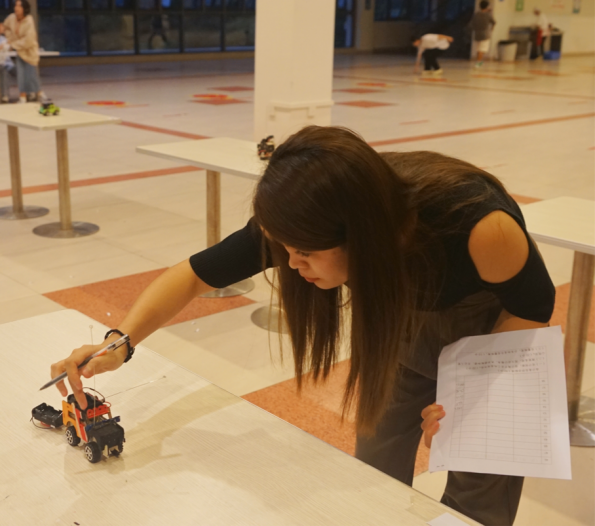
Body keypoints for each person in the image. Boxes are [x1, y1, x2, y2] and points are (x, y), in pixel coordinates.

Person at [52, 126, 555, 526]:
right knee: (375, 464)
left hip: (495, 339)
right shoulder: (305, 213)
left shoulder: (477, 224)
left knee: (479, 489)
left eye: (304, 253)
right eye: (285, 249)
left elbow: (535, 306)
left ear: (360, 235)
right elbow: (194, 275)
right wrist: (119, 342)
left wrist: (472, 394)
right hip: (399, 331)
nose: (292, 264)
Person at [3, 0, 43, 103]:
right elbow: (5, 27)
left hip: (29, 52)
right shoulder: (11, 18)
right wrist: (10, 39)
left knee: (31, 75)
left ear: (24, 8)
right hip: (20, 51)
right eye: (15, 5)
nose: (16, 8)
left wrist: (13, 44)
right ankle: (22, 97)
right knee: (21, 75)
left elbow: (28, 40)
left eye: (19, 6)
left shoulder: (29, 20)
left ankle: (39, 94)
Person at [468, 1, 496, 68]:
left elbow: (471, 24)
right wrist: (491, 29)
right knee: (482, 49)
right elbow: (493, 22)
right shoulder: (488, 15)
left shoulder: (476, 14)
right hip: (485, 34)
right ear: (487, 6)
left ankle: (479, 61)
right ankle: (478, 63)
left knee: (478, 49)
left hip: (477, 34)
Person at [0, 22, 15, 103]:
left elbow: (10, 49)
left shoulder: (3, 38)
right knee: (4, 71)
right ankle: (5, 95)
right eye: (1, 26)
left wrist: (10, 44)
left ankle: (30, 93)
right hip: (1, 64)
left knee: (23, 70)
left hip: (9, 64)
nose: (3, 28)